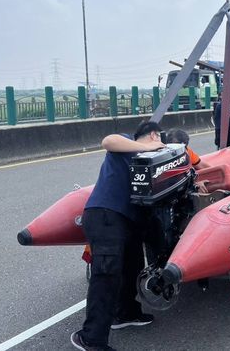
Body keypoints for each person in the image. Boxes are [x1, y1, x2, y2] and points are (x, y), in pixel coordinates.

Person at [71, 121, 166, 351]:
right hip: (105, 215)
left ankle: (125, 313)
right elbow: (107, 141)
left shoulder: (150, 160)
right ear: (153, 135)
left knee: (133, 266)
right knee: (106, 275)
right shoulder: (125, 143)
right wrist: (151, 148)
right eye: (160, 138)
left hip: (127, 221)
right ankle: (90, 338)